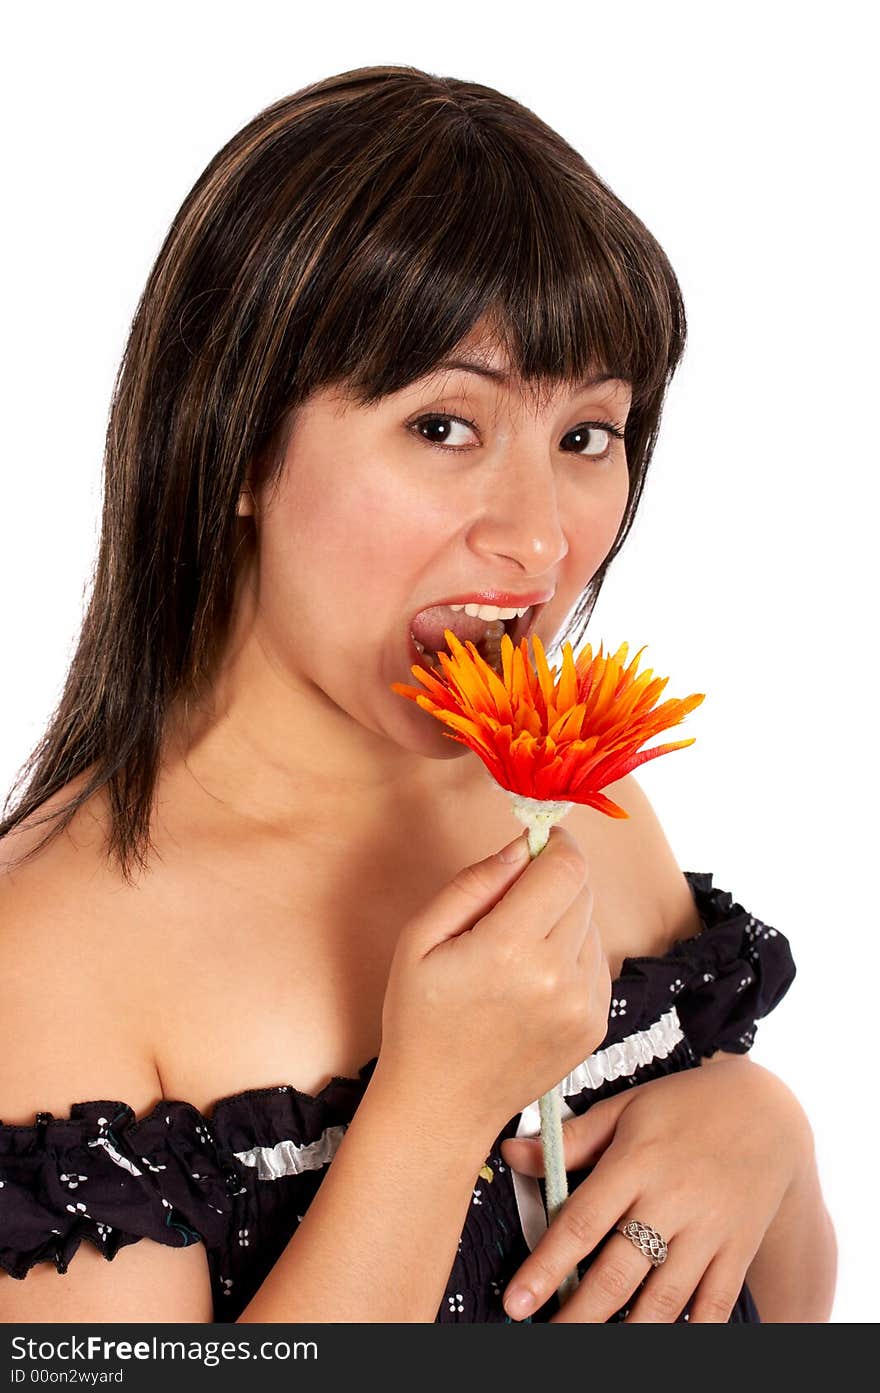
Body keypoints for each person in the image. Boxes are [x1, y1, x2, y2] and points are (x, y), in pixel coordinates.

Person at [0, 64, 836, 1324]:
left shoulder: (583, 801)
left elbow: (789, 1311)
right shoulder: (53, 953)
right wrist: (432, 1109)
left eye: (587, 436)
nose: (541, 543)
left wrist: (762, 1132)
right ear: (231, 438)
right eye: (444, 427)